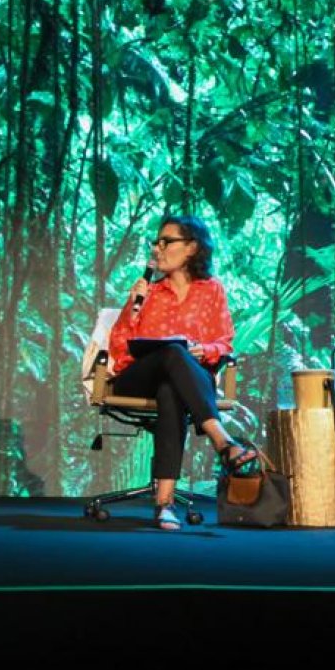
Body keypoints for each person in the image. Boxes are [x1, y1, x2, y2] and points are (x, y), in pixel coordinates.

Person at [106, 214, 257, 530]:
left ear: (191, 248)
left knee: (171, 390)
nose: (158, 249)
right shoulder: (150, 292)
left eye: (167, 242)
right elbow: (120, 348)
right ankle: (221, 439)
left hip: (183, 381)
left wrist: (207, 350)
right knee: (174, 352)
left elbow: (224, 342)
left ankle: (165, 504)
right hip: (137, 378)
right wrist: (133, 304)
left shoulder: (211, 291)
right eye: (156, 243)